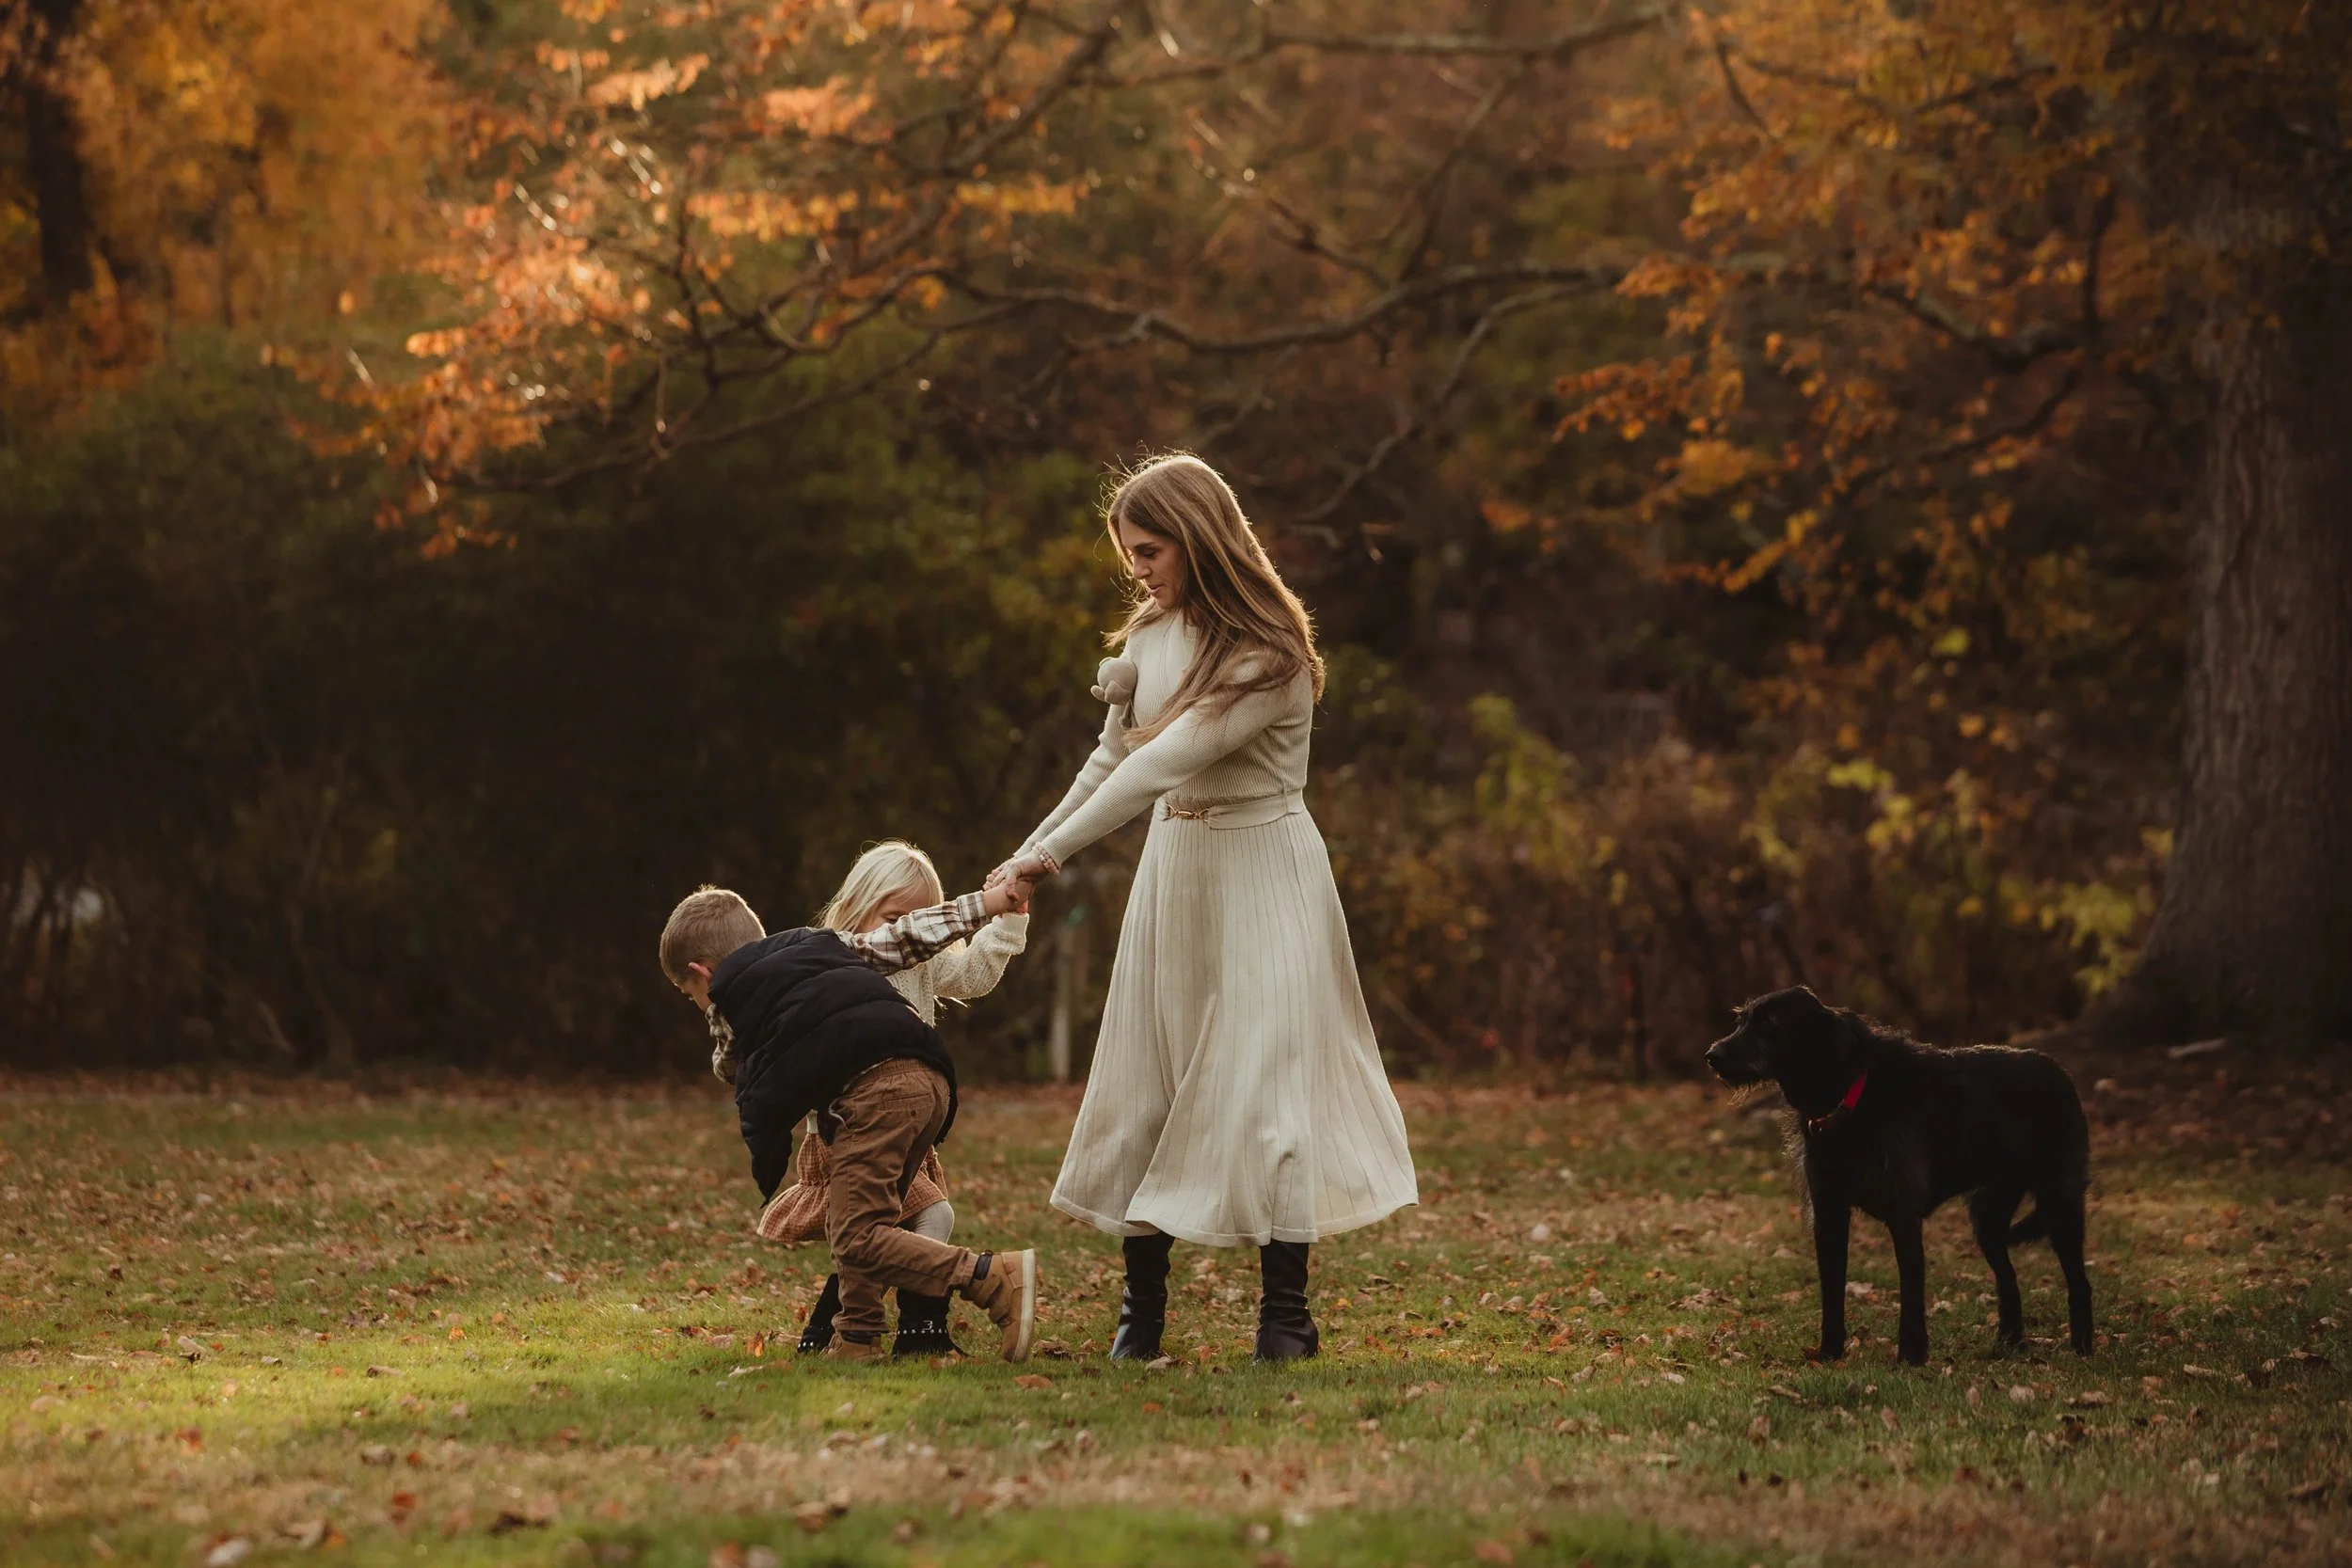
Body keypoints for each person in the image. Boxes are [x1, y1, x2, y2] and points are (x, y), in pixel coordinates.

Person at [993, 452, 1418, 1364]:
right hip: (1174, 868)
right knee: (1149, 1073)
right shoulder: (1148, 637)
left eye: (1149, 549)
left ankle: (1284, 1315)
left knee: (1266, 1087)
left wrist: (1050, 853)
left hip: (1264, 867)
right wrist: (1024, 852)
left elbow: (1165, 759)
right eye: (1129, 553)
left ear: (1198, 535)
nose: (1136, 568)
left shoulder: (1267, 649)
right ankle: (1139, 1313)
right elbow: (1110, 760)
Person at [660, 876, 1041, 1362]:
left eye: (688, 991)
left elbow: (731, 1067)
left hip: (875, 1094)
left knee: (857, 1237)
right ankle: (856, 1339)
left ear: (703, 972)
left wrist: (726, 1039)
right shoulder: (822, 946)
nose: (698, 1003)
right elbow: (906, 937)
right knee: (863, 1221)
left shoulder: (732, 998)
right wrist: (985, 904)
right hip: (930, 1081)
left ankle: (989, 1277)